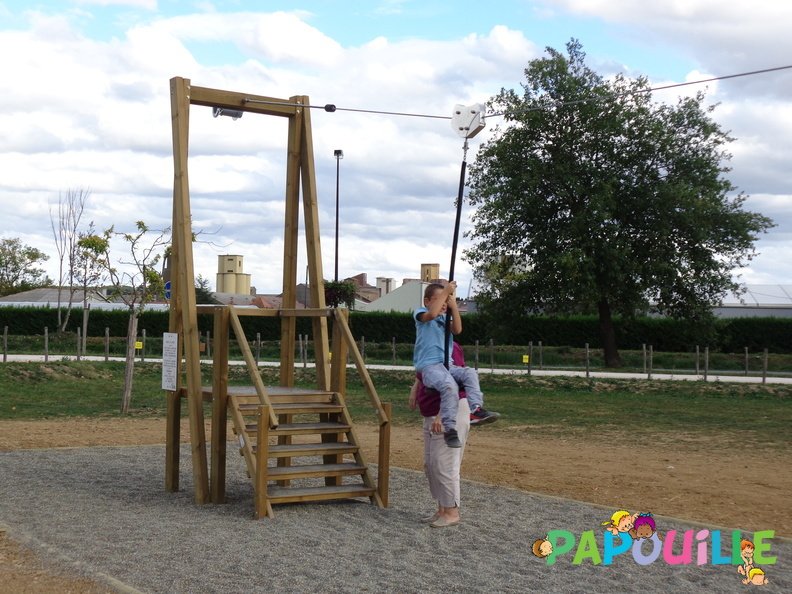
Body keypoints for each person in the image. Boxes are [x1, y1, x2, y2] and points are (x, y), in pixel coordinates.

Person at [413, 281, 499, 448]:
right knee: (449, 385)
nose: (443, 303)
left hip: (447, 365)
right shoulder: (421, 313)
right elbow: (432, 314)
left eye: (446, 300)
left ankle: (476, 410)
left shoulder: (446, 319)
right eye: (439, 299)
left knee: (470, 373)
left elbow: (458, 329)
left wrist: (454, 307)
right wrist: (446, 291)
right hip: (429, 367)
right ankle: (450, 429)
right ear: (427, 301)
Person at [409, 340, 470, 528]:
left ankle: (452, 511)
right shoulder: (426, 346)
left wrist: (442, 415)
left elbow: (455, 382)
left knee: (444, 463)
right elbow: (422, 374)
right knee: (431, 463)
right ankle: (442, 509)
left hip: (448, 412)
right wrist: (415, 389)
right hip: (430, 413)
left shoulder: (449, 347)